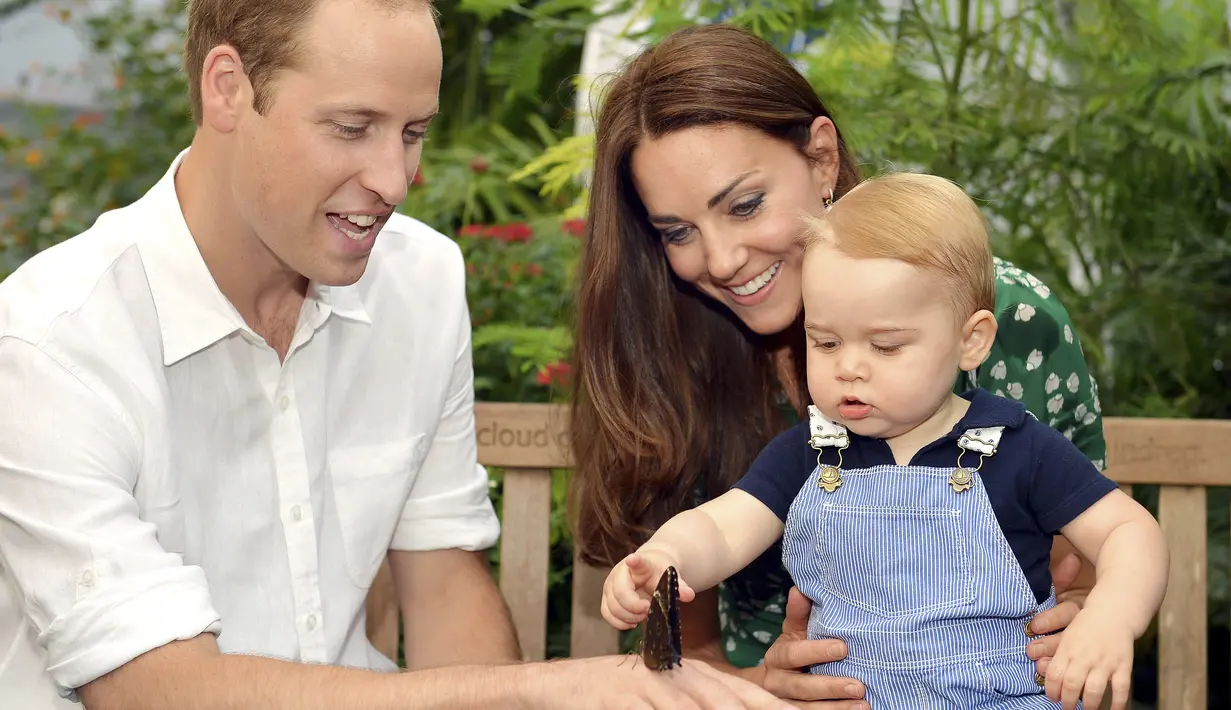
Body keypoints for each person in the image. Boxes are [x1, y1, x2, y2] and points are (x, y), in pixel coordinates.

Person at [0, 2, 795, 709]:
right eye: (352, 128)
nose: (395, 178)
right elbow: (151, 688)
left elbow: (442, 577)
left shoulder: (418, 279)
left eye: (413, 132)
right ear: (227, 87)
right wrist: (543, 689)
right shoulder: (51, 342)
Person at [568, 23, 1111, 708]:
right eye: (677, 231)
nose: (720, 259)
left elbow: (1095, 554)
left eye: (743, 205)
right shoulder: (669, 350)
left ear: (821, 158)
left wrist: (1090, 613)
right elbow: (685, 638)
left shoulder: (999, 318)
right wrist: (760, 688)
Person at [600, 172, 1169, 710]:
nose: (849, 367)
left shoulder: (1017, 446)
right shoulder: (809, 454)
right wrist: (666, 559)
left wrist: (1110, 617)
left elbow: (1128, 529)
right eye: (824, 342)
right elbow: (721, 529)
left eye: (887, 346)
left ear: (972, 341)